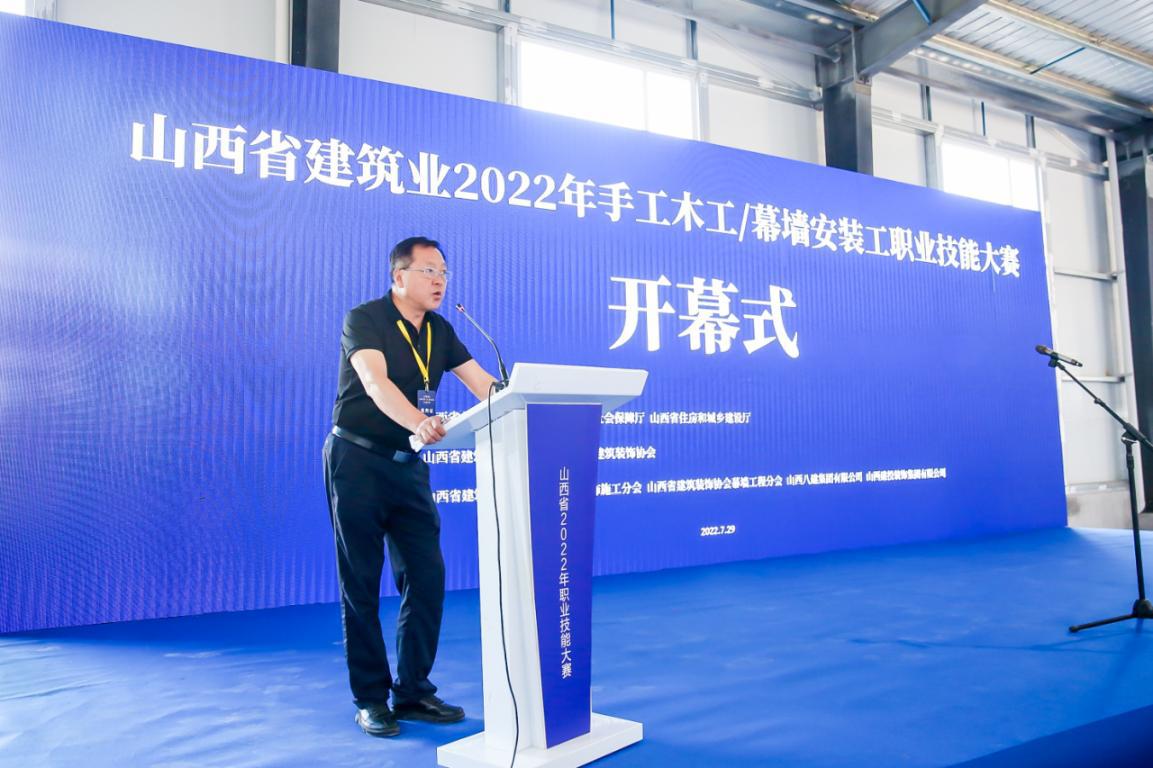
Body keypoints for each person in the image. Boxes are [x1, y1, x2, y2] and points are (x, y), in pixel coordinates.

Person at [323, 236, 496, 737]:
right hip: (356, 460)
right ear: (399, 276)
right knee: (361, 582)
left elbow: (481, 383)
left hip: (408, 466)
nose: (440, 280)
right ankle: (370, 699)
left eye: (443, 272)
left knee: (426, 577)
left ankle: (414, 691)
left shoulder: (440, 329)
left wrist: (524, 399)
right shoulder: (366, 318)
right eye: (428, 271)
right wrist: (419, 421)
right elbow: (375, 383)